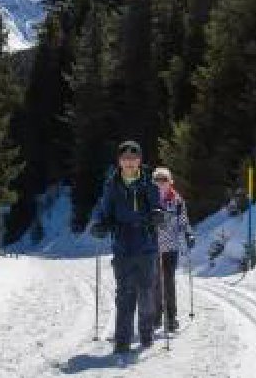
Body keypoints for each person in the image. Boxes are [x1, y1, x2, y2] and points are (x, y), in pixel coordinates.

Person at [89, 140, 164, 354]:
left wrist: (158, 215)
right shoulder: (112, 185)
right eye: (125, 159)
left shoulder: (149, 183)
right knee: (124, 292)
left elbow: (157, 206)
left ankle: (146, 332)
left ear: (140, 161)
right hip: (122, 243)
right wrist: (98, 225)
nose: (130, 163)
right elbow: (103, 211)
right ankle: (122, 339)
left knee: (146, 291)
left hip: (146, 243)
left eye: (133, 159)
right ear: (119, 162)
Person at [151, 167, 195, 332]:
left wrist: (189, 234)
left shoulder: (176, 200)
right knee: (155, 281)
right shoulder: (149, 199)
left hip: (171, 247)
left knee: (168, 281)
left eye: (164, 180)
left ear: (170, 182)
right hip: (153, 246)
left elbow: (183, 220)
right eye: (158, 180)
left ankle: (171, 317)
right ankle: (156, 315)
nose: (161, 183)